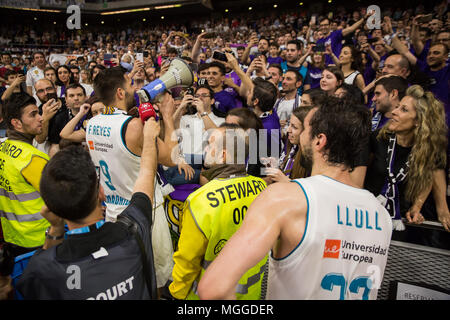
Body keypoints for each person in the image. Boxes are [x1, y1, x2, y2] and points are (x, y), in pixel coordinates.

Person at [198, 96, 393, 300]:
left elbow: (214, 289)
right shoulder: (381, 214)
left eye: (305, 129)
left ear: (319, 140)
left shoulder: (286, 197)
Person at [16, 118, 161, 299]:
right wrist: (149, 138)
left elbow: (40, 275)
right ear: (101, 192)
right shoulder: (133, 229)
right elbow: (146, 172)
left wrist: (55, 228)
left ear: (52, 208)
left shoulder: (41, 269)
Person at [86, 66, 175, 290]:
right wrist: (167, 117)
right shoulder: (133, 126)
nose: (136, 88)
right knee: (154, 277)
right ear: (120, 92)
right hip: (145, 213)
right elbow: (172, 157)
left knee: (127, 278)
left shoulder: (92, 123)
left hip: (114, 212)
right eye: (130, 83)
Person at [169, 124, 268, 300]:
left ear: (223, 156)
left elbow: (187, 261)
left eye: (210, 145)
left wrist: (177, 294)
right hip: (253, 293)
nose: (205, 149)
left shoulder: (200, 200)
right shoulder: (261, 187)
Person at [364, 85, 450, 231]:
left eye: (403, 110)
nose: (394, 112)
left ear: (418, 121)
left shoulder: (427, 150)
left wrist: (417, 207)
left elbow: (429, 178)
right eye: (397, 107)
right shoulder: (378, 139)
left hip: (401, 223)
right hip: (367, 218)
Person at [0, 93, 50, 258]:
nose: (41, 118)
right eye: (33, 114)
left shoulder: (3, 148)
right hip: (39, 238)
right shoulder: (32, 158)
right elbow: (62, 200)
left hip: (11, 236)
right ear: (16, 123)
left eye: (38, 112)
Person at [265, 106, 313, 184]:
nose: (288, 130)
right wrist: (275, 166)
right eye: (289, 124)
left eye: (294, 127)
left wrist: (286, 181)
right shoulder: (292, 147)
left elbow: (309, 193)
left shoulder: (311, 159)